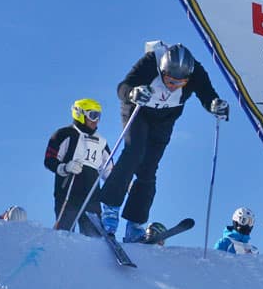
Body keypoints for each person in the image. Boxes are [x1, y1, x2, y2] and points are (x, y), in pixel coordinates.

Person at [98, 41, 230, 242]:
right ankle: (110, 208)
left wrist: (215, 105)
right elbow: (123, 87)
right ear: (162, 70)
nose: (173, 86)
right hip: (138, 111)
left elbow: (208, 94)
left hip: (165, 119)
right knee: (134, 153)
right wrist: (132, 93)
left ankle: (135, 223)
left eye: (180, 83)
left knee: (149, 169)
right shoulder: (151, 61)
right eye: (169, 80)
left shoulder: (196, 72)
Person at [44, 98, 112, 233]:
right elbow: (49, 159)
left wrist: (124, 184)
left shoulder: (101, 141)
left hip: (91, 196)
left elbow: (109, 170)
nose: (96, 120)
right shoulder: (64, 134)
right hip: (68, 193)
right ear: (80, 114)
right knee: (65, 231)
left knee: (93, 235)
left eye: (99, 116)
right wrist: (64, 167)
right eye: (93, 115)